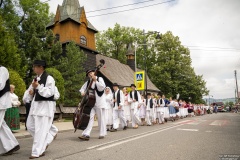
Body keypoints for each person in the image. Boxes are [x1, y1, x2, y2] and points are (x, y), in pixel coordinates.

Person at [25, 60, 56, 159]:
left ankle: (37, 152)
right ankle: (48, 137)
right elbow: (29, 92)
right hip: (35, 107)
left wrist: (38, 87)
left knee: (40, 131)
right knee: (29, 126)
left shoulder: (49, 78)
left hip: (44, 107)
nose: (33, 69)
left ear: (41, 67)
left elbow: (50, 93)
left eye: (35, 67)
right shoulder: (35, 79)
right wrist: (30, 93)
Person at [78, 69, 107, 140]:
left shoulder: (100, 79)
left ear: (94, 73)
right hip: (91, 103)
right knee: (89, 118)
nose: (90, 74)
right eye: (89, 74)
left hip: (99, 103)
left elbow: (102, 88)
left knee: (100, 119)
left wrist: (96, 81)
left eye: (91, 73)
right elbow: (82, 89)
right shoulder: (88, 82)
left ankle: (102, 133)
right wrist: (82, 92)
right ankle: (86, 134)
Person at [0, 65, 20, 156]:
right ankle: (12, 145)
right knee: (2, 125)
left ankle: (11, 145)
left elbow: (0, 85)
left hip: (1, 102)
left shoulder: (2, 69)